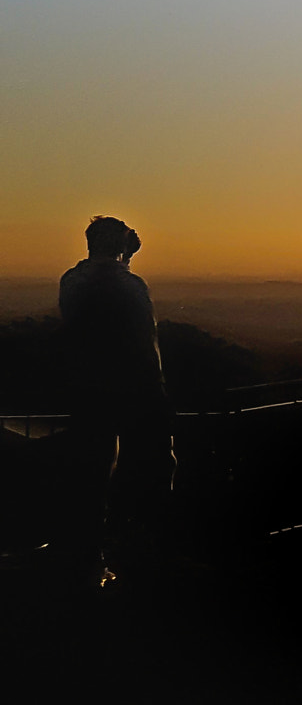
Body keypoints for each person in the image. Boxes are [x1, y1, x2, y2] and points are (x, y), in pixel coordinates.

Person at [57, 216, 175, 585]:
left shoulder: (72, 281)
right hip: (137, 393)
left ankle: (90, 559)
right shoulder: (129, 285)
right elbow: (143, 346)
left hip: (88, 394)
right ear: (120, 246)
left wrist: (123, 254)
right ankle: (149, 555)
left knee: (92, 477)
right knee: (155, 469)